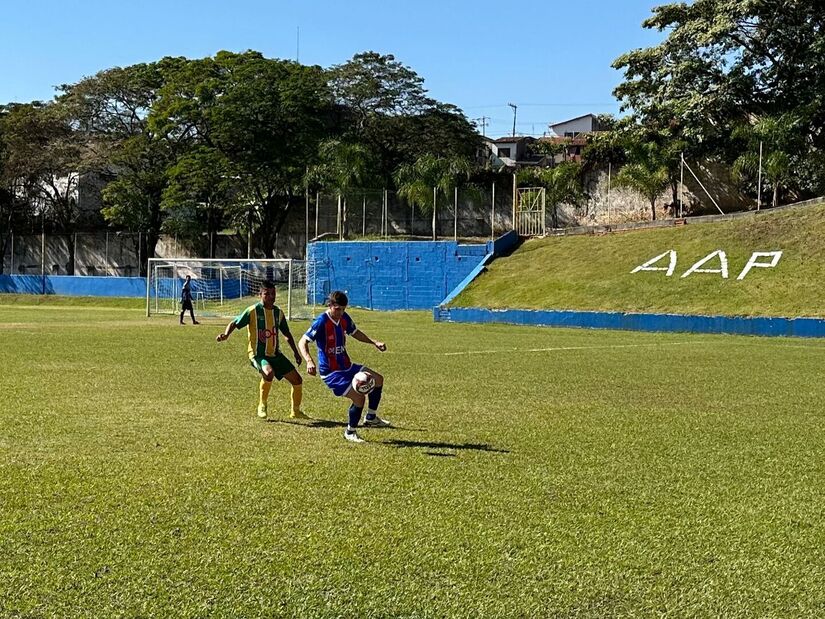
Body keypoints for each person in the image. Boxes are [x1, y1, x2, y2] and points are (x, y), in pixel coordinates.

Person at [299, 290, 389, 443]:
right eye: (338, 309)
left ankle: (371, 417)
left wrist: (374, 342)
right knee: (359, 397)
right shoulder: (321, 321)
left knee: (378, 379)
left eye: (343, 309)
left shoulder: (344, 318)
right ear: (330, 305)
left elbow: (355, 333)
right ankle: (350, 432)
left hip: (347, 366)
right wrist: (308, 360)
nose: (341, 312)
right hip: (331, 372)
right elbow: (303, 341)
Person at [216, 280, 308, 420]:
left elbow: (287, 334)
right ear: (260, 294)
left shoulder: (279, 313)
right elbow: (235, 322)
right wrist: (226, 335)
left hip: (275, 354)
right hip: (258, 355)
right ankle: (262, 405)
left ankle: (296, 411)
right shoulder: (253, 311)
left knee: (297, 380)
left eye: (273, 293)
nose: (271, 296)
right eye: (267, 294)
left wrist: (296, 352)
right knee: (268, 373)